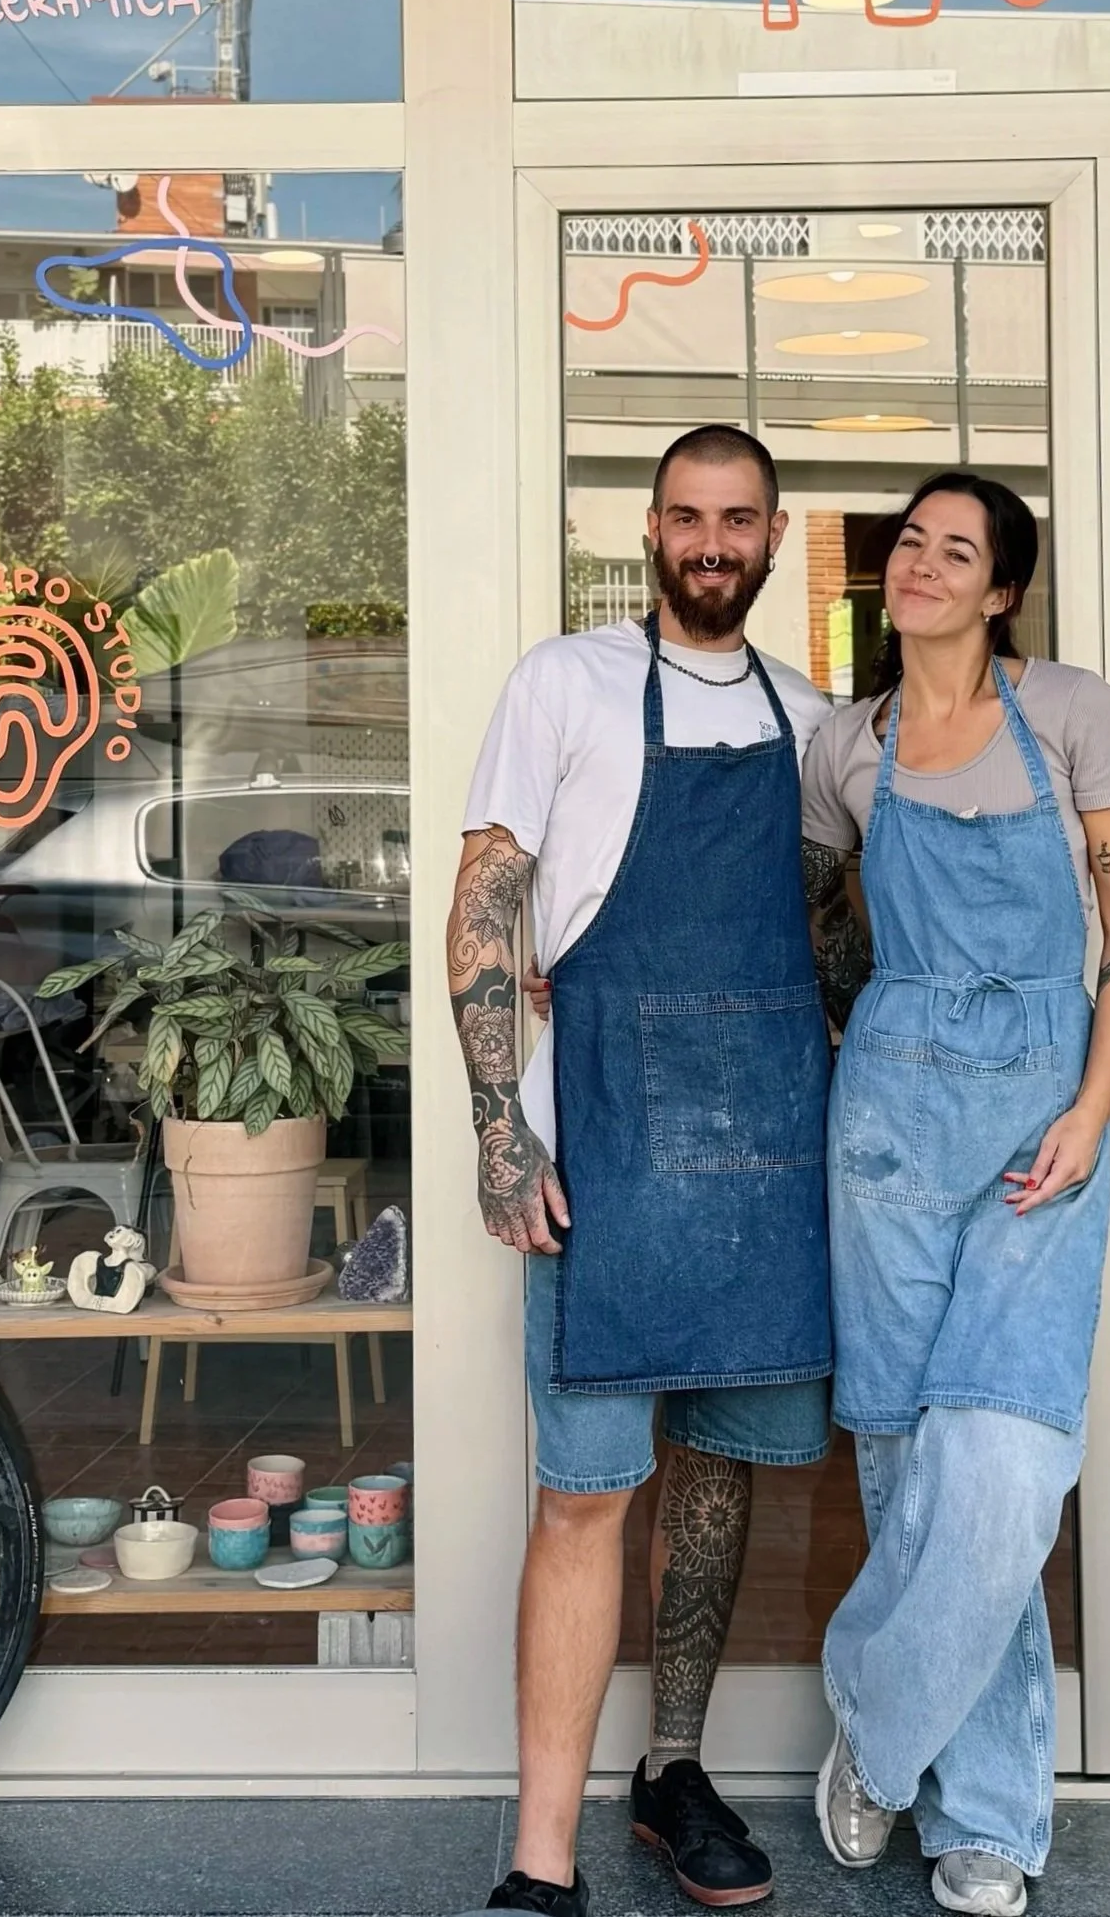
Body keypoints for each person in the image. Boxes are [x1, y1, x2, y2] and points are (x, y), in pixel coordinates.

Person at [449, 425, 835, 1917]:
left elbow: (831, 931)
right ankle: (542, 1856)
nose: (712, 541)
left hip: (763, 1155)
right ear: (653, 528)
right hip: (600, 1141)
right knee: (587, 1490)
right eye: (688, 516)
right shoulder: (565, 683)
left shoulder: (812, 721)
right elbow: (486, 910)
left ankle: (672, 1770)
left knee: (721, 1474)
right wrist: (501, 1128)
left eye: (739, 519)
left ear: (776, 535)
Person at [799, 472, 1110, 1916]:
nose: (926, 566)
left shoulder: (1073, 712)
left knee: (1003, 1463)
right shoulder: (847, 744)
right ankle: (988, 1821)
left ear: (1004, 588)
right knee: (908, 1461)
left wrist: (1090, 1107)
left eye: (961, 551)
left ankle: (879, 1733)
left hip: (1041, 1120)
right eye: (911, 544)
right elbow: (817, 916)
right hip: (887, 1110)